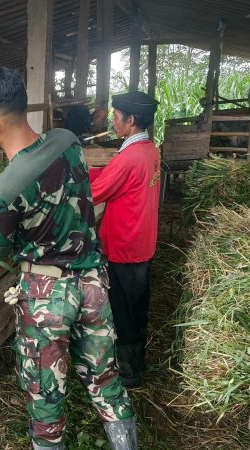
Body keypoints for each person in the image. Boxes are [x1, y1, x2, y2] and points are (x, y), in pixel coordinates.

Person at [0, 67, 138, 450]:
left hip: (46, 298)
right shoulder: (68, 141)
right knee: (106, 381)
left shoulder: (5, 188)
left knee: (47, 398)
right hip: (93, 284)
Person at [89, 91, 160, 388]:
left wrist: (67, 179)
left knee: (124, 310)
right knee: (136, 305)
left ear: (130, 120)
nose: (113, 122)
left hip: (124, 245)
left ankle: (129, 372)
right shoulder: (149, 150)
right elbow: (111, 176)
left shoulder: (129, 157)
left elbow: (95, 192)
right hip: (141, 241)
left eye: (116, 116)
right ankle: (136, 360)